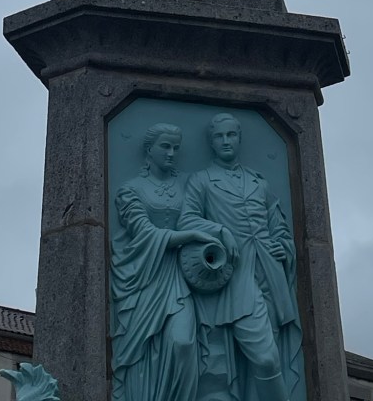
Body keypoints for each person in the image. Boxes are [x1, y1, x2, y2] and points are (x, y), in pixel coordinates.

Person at [178, 114, 305, 401]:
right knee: (266, 359)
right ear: (211, 142)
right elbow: (187, 220)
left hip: (270, 276)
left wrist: (282, 247)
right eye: (219, 136)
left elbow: (279, 227)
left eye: (231, 135)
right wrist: (220, 230)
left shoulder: (259, 182)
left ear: (239, 138)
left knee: (260, 361)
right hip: (237, 277)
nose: (226, 141)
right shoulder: (202, 180)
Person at [110, 123, 217, 401]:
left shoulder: (188, 184)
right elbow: (144, 232)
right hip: (143, 277)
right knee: (143, 354)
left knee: (182, 344)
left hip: (179, 278)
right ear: (149, 149)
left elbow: (205, 216)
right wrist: (190, 235)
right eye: (165, 146)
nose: (171, 153)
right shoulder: (131, 190)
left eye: (176, 148)